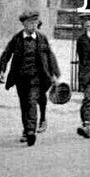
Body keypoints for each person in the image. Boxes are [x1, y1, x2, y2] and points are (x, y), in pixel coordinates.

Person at [1, 10, 61, 146]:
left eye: (34, 22)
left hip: (37, 78)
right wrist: (2, 70)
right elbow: (6, 54)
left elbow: (50, 56)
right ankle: (26, 129)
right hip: (20, 78)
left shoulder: (42, 38)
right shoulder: (16, 39)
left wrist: (55, 75)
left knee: (31, 101)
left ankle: (30, 131)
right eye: (29, 23)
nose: (33, 25)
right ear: (23, 24)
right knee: (24, 105)